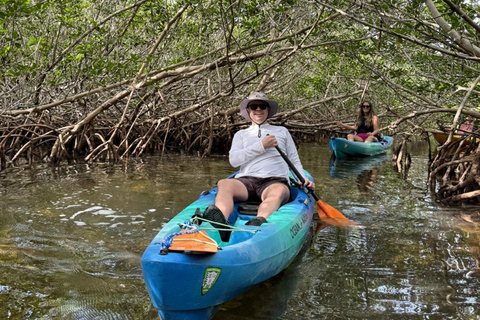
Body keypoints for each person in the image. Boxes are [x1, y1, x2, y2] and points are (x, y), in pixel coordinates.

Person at [198, 92, 314, 241]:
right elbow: (234, 160)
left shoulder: (282, 131)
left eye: (262, 106)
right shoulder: (241, 134)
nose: (258, 109)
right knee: (224, 183)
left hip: (274, 181)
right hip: (246, 181)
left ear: (268, 110)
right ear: (248, 110)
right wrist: (261, 146)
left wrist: (303, 178)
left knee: (277, 192)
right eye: (254, 106)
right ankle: (221, 222)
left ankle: (259, 220)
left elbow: (293, 160)